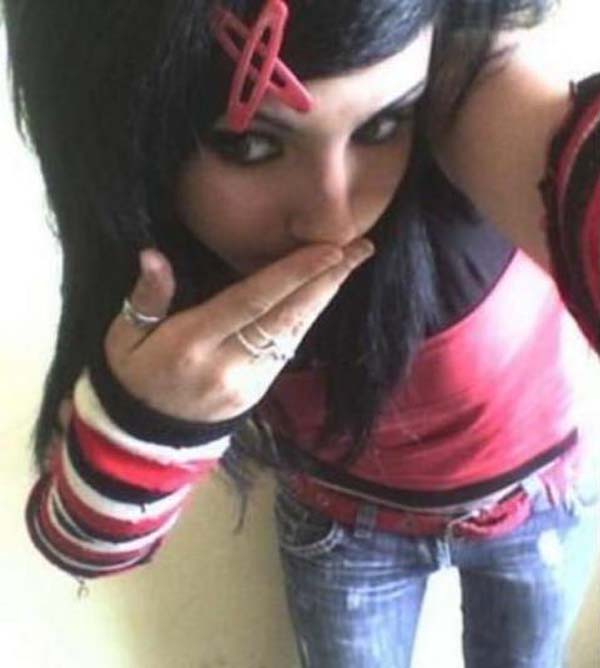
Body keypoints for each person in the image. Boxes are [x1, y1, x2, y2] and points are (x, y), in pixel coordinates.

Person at [3, 0, 600, 665]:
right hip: (343, 530)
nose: (332, 220)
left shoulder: (464, 102)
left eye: (383, 124)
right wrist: (150, 421)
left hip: (538, 504)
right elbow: (77, 543)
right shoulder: (159, 276)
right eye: (250, 145)